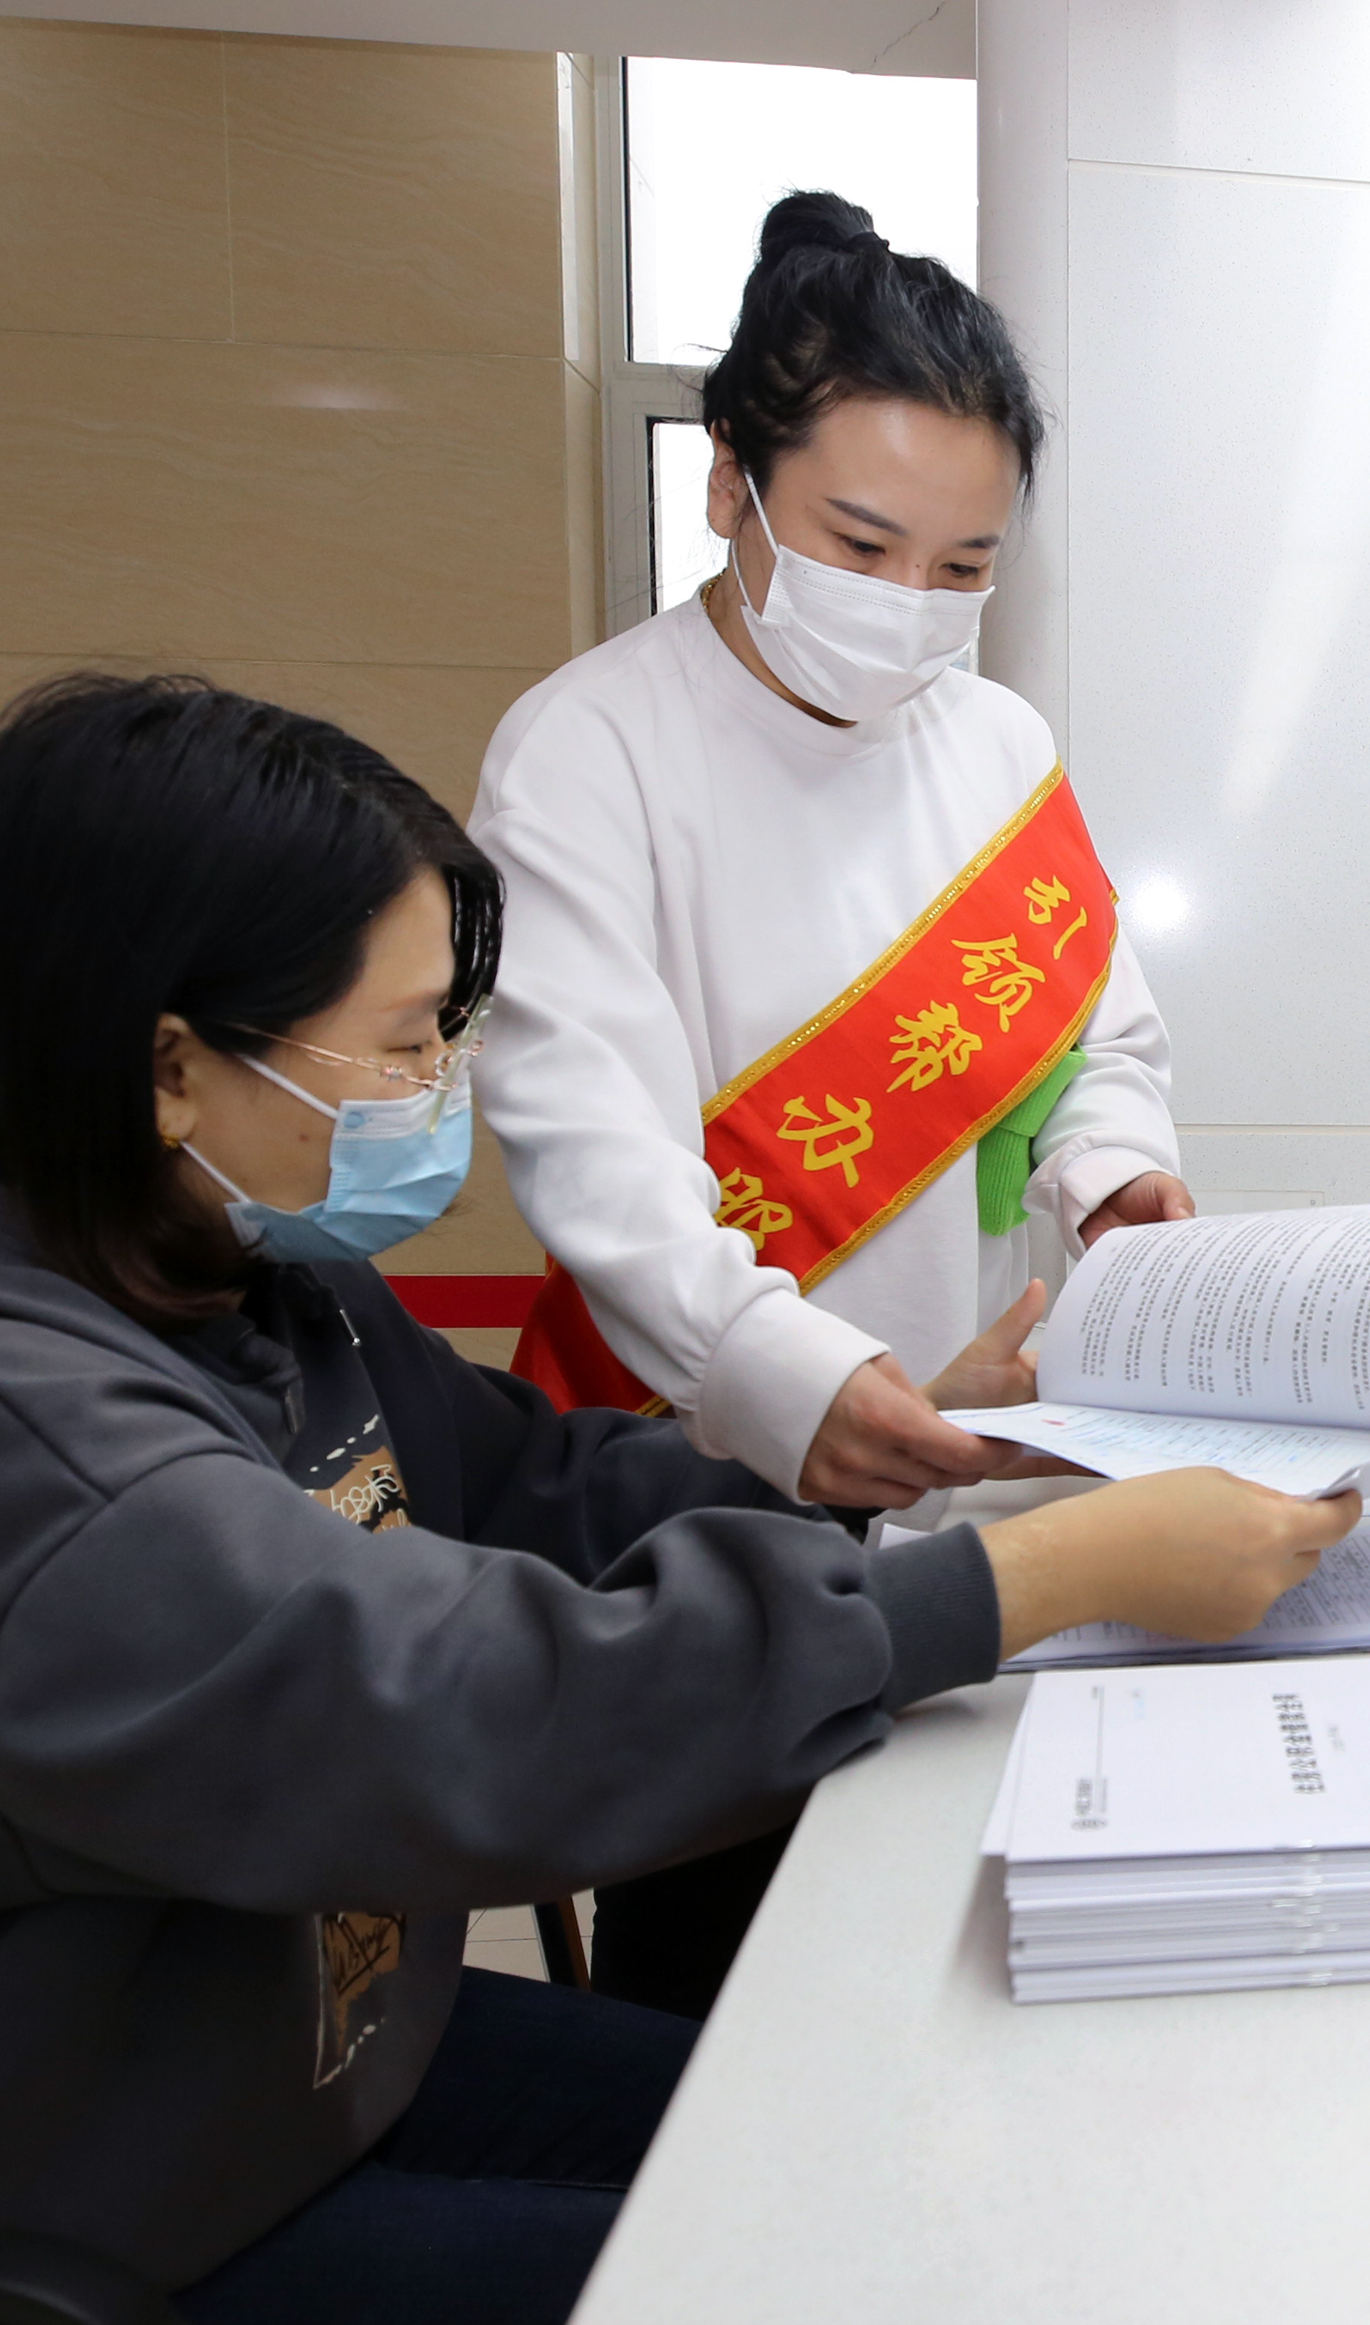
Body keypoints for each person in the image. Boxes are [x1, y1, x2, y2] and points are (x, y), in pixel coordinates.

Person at [0, 676, 1354, 2324]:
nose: (440, 1091)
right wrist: (1029, 1581)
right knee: (866, 2271)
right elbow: (466, 1705)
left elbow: (537, 1490)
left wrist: (896, 1461)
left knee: (881, 2155)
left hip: (251, 2039)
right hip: (27, 2177)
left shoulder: (232, 1277)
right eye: (402, 1045)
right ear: (170, 1068)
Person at [468, 191, 1194, 2009]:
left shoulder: (998, 743)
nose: (909, 609)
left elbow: (1098, 1039)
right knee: (722, 1975)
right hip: (712, 1468)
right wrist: (794, 1387)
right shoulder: (589, 749)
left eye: (964, 568)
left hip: (984, 1455)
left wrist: (1114, 1176)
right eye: (861, 544)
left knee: (967, 1938)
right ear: (731, 482)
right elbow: (599, 1156)